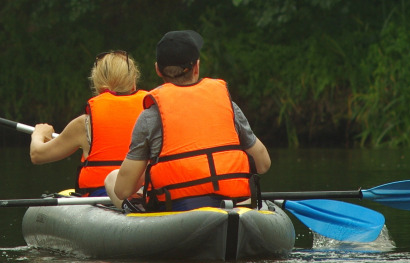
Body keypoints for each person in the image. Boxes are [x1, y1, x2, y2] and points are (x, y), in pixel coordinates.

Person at [104, 30, 272, 211]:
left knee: (112, 178)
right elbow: (263, 163)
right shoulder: (227, 104)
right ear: (196, 67)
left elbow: (122, 190)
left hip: (177, 211)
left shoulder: (150, 116)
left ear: (158, 70)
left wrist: (151, 174)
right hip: (233, 204)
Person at [29, 51, 148, 197]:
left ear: (97, 84)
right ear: (133, 82)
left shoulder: (85, 124)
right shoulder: (152, 115)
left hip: (103, 197)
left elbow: (37, 155)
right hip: (144, 194)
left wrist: (38, 134)